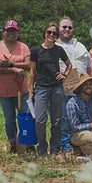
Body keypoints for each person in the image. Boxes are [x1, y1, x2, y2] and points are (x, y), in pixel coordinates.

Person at [29, 22, 72, 156]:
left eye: (54, 33)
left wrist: (64, 74)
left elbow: (69, 64)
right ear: (44, 33)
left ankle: (54, 149)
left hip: (56, 88)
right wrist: (31, 92)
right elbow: (32, 73)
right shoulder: (36, 50)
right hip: (41, 88)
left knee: (56, 120)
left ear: (56, 36)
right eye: (49, 32)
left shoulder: (58, 50)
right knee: (40, 121)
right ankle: (42, 149)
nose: (51, 35)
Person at [56, 16, 92, 153]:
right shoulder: (54, 46)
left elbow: (91, 65)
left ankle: (80, 144)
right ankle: (65, 145)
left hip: (82, 91)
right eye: (64, 27)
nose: (67, 29)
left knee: (81, 118)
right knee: (65, 118)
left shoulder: (80, 46)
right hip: (63, 90)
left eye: (69, 27)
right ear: (58, 29)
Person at [0, 20, 31, 154]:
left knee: (25, 117)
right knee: (9, 119)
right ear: (3, 32)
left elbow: (28, 65)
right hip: (4, 91)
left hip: (21, 90)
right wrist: (14, 70)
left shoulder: (23, 47)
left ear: (17, 33)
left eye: (14, 31)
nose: (11, 33)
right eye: (8, 31)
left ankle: (26, 143)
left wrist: (10, 65)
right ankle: (13, 144)